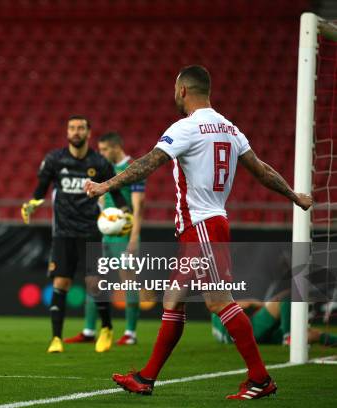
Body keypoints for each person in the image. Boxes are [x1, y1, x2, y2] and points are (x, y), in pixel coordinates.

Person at [85, 65, 312, 399]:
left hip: (202, 226)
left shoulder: (186, 127)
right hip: (208, 224)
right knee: (173, 299)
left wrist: (106, 183)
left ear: (182, 91)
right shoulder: (230, 129)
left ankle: (260, 379)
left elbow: (149, 162)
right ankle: (147, 378)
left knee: (219, 302)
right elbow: (262, 170)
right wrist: (294, 196)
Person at [21, 115, 130, 353]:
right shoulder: (54, 160)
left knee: (94, 283)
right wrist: (31, 204)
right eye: (72, 128)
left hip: (90, 231)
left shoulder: (99, 163)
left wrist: (125, 213)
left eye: (81, 128)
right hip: (63, 232)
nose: (76, 131)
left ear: (88, 133)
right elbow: (39, 192)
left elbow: (119, 194)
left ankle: (107, 328)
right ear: (67, 132)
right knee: (61, 282)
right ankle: (56, 338)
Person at [65, 132, 146, 346]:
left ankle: (130, 333)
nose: (101, 154)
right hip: (103, 235)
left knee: (128, 281)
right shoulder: (104, 170)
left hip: (123, 235)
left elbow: (138, 208)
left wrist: (133, 239)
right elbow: (102, 199)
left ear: (116, 147)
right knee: (94, 280)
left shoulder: (133, 168)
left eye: (104, 150)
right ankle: (89, 330)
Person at [212, 299, 337, 347]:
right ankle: (288, 336)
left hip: (244, 339)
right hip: (247, 332)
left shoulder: (215, 317)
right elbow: (248, 304)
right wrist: (263, 304)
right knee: (285, 300)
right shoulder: (222, 303)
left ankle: (288, 337)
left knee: (309, 335)